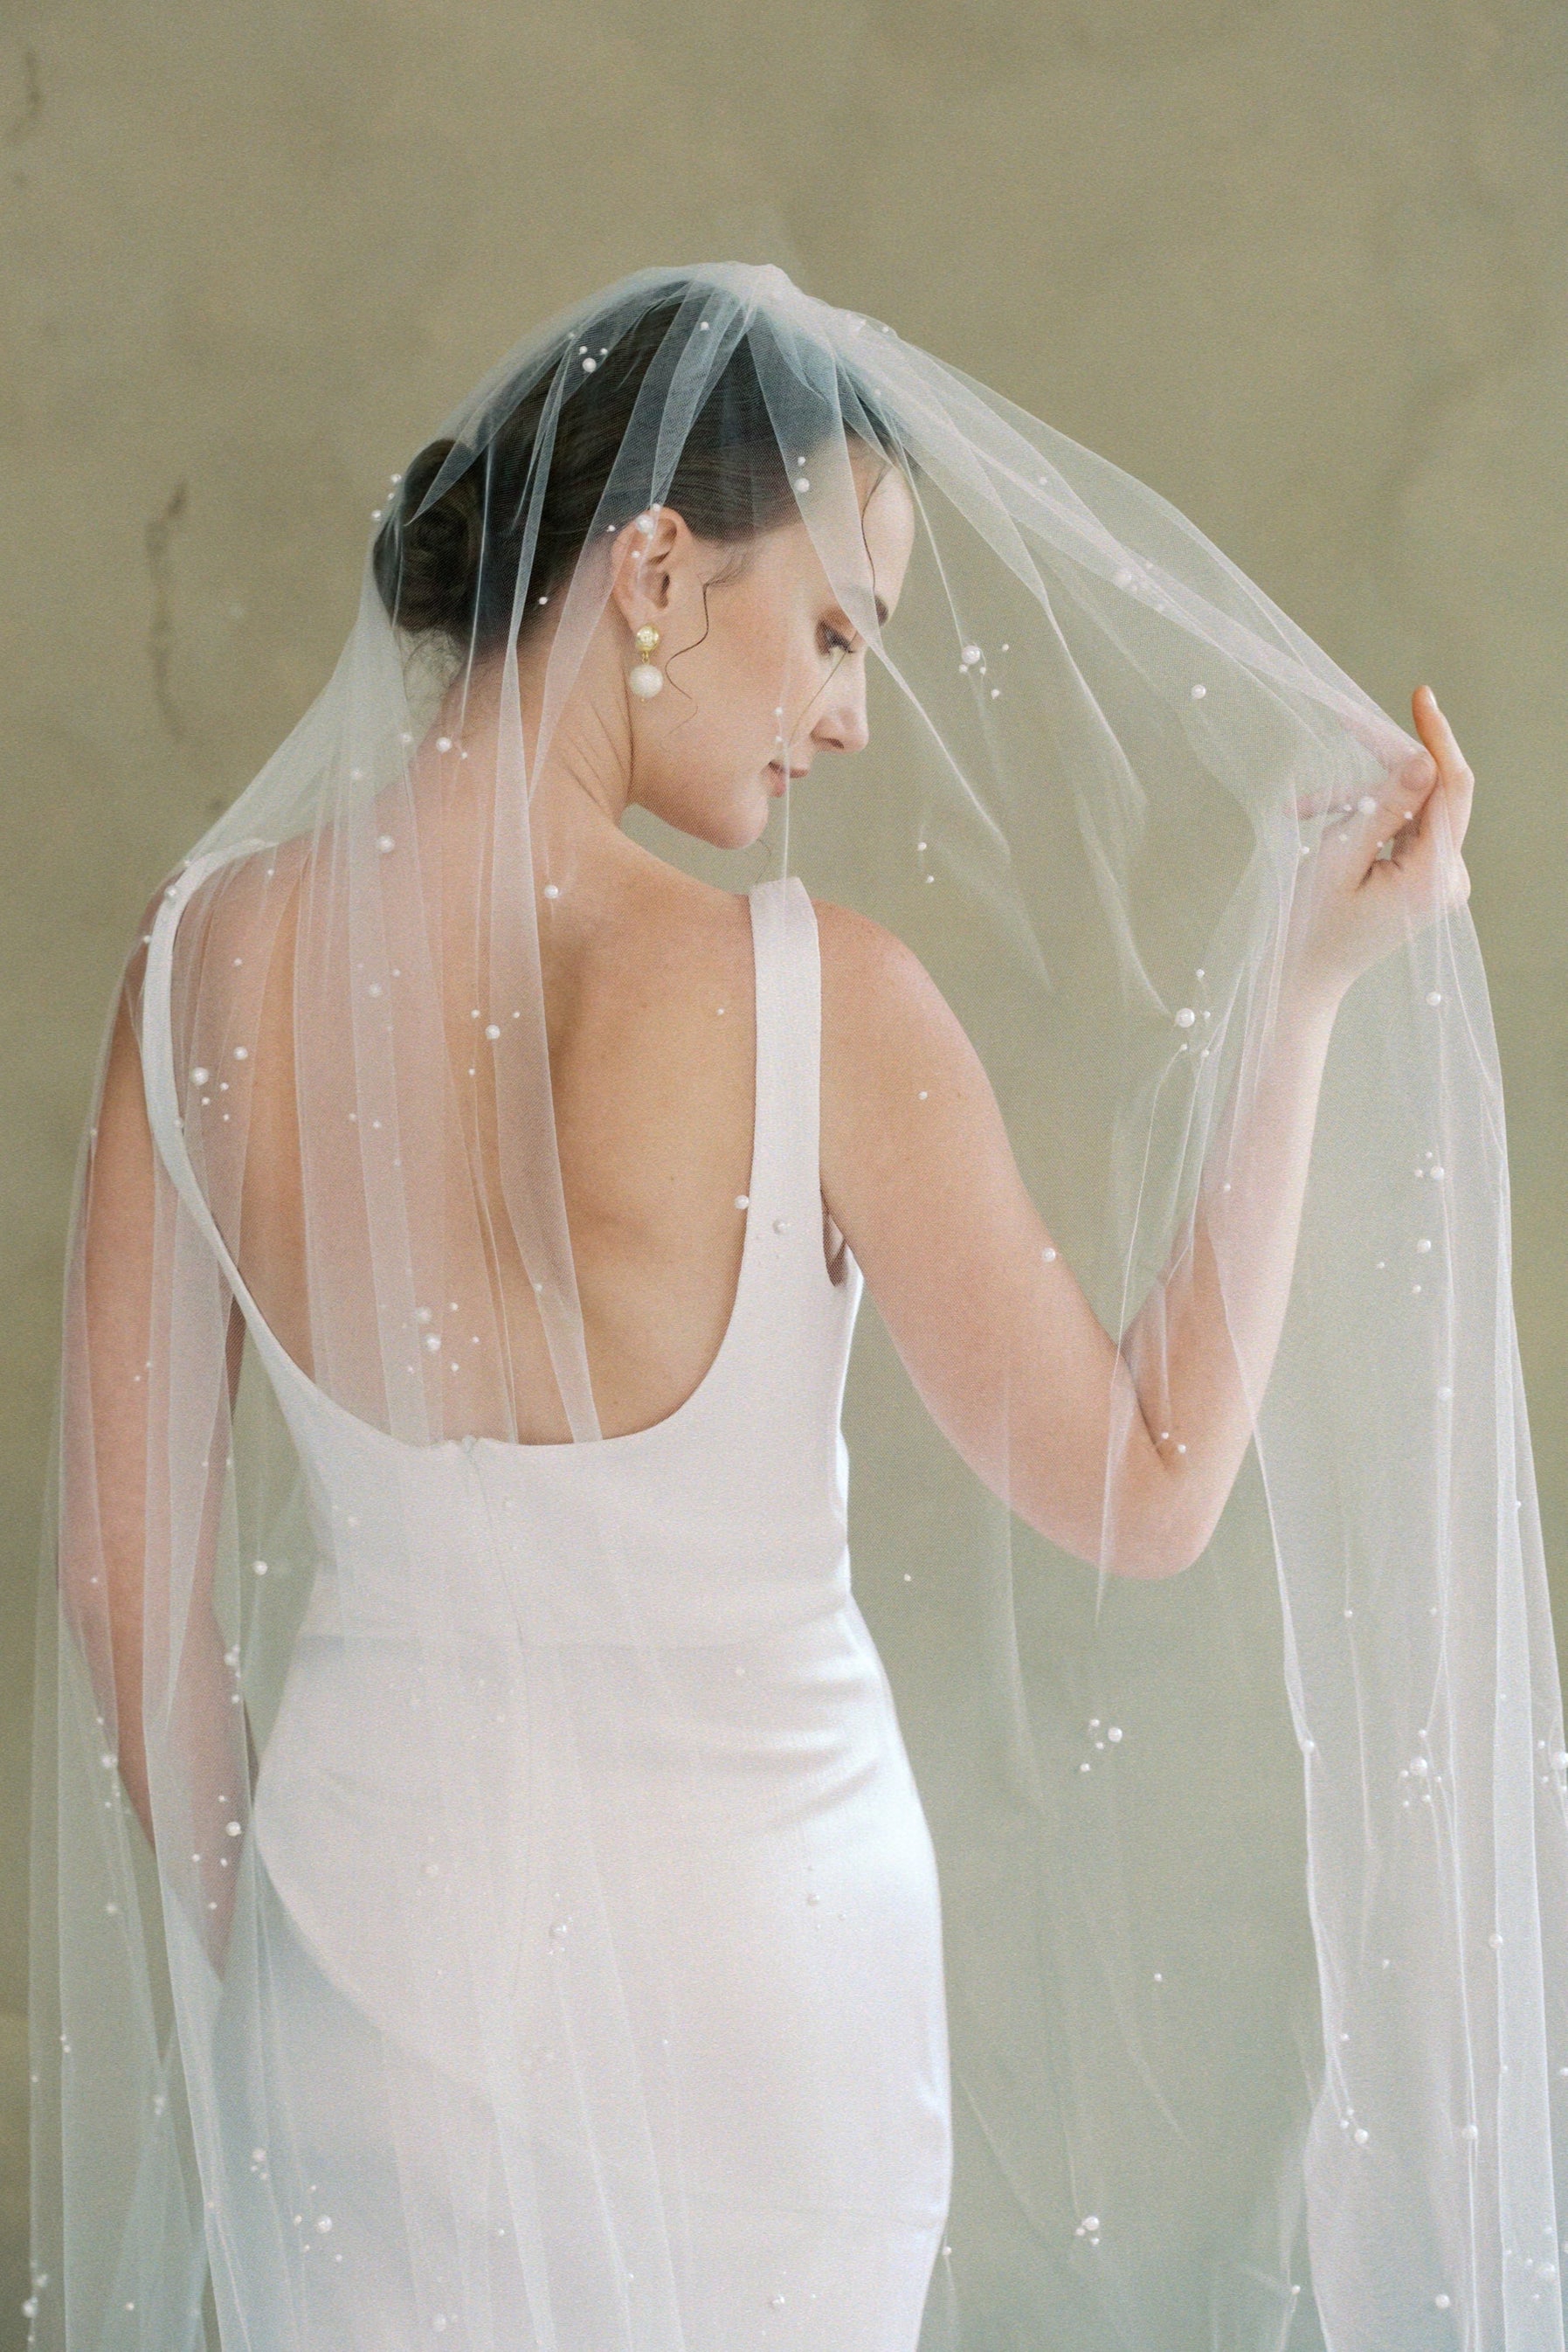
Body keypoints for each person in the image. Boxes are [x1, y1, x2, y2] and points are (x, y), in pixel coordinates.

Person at [27, 261, 1566, 2351]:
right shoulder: (813, 999)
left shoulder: (197, 958)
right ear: (656, 566)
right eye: (836, 626)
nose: (849, 709)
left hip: (356, 1987)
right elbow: (1149, 1478)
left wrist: (289, 1953)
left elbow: (128, 1589)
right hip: (758, 2001)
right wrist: (1294, 992)